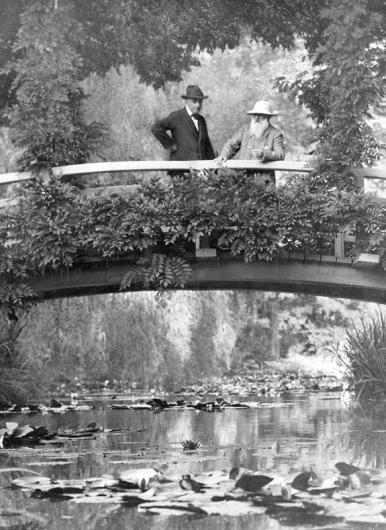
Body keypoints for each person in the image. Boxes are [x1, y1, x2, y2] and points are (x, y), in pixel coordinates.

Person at [215, 100, 285, 187]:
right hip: (242, 178)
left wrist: (265, 154)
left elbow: (280, 154)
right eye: (255, 115)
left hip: (264, 182)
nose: (257, 118)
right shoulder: (244, 130)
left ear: (268, 117)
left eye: (261, 115)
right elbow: (231, 145)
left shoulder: (275, 133)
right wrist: (224, 155)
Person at [151, 85, 215, 165]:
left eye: (200, 102)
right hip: (180, 169)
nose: (198, 105)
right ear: (187, 101)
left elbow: (207, 145)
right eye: (194, 101)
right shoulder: (177, 116)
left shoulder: (201, 120)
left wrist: (214, 168)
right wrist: (170, 145)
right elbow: (156, 127)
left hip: (200, 169)